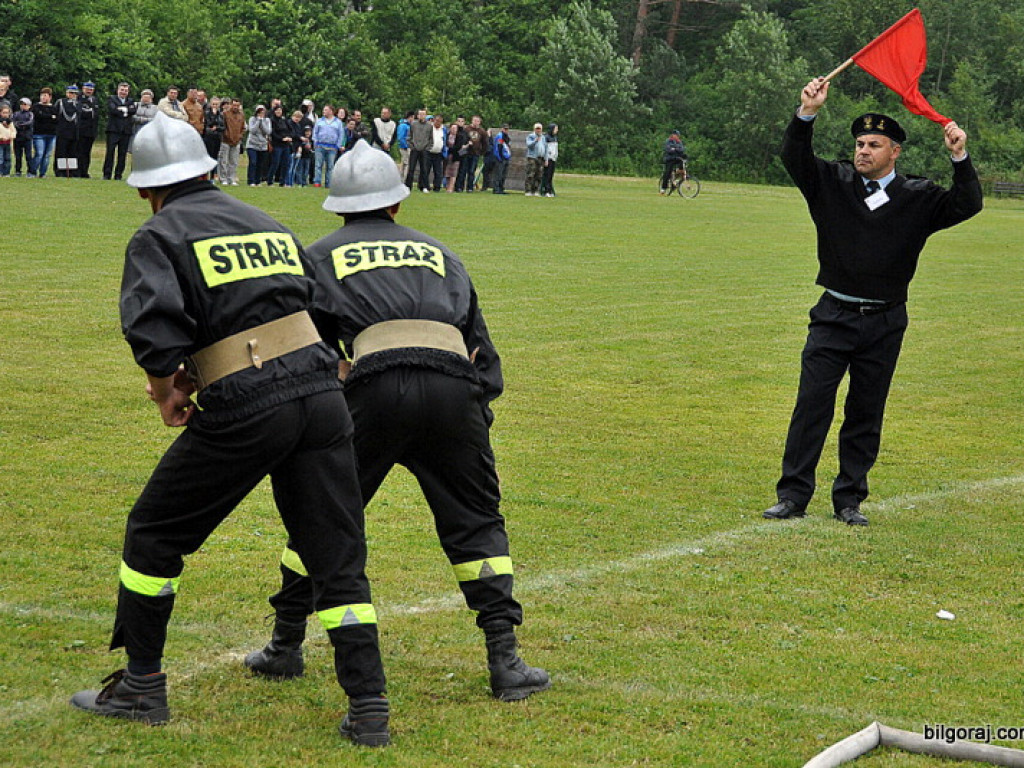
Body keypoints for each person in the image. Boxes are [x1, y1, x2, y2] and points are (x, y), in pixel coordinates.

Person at [68, 113, 391, 746]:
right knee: (335, 554)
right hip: (324, 395)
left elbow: (155, 332)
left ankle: (139, 686)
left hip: (251, 402)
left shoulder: (157, 235)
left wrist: (168, 391)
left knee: (155, 532)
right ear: (211, 167)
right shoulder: (268, 222)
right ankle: (370, 706)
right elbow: (319, 307)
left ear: (144, 188)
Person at [244, 140, 551, 703]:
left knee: (323, 515)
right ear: (397, 205)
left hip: (372, 388)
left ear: (337, 207)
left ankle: (285, 644)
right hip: (453, 387)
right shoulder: (442, 253)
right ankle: (506, 660)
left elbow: (302, 347)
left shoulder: (317, 256)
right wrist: (471, 416)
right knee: (476, 522)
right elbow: (481, 350)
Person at [762, 77, 983, 527]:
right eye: (860, 143)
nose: (863, 150)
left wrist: (959, 155)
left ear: (894, 152)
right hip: (833, 315)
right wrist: (807, 112)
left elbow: (968, 204)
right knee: (813, 406)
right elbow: (794, 157)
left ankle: (849, 500)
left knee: (865, 411)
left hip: (884, 323)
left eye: (874, 144)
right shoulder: (832, 183)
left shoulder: (918, 197)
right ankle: (793, 495)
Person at [103, 82, 136, 181]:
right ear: (118, 90)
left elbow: (133, 110)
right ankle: (107, 174)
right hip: (113, 130)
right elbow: (112, 110)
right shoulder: (111, 99)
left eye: (126, 90)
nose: (123, 92)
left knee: (122, 154)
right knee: (110, 153)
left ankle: (118, 174)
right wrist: (125, 111)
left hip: (125, 131)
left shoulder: (131, 100)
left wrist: (123, 109)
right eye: (122, 90)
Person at [312, 104, 342, 188]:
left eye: (325, 110)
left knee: (330, 166)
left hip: (332, 147)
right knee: (318, 165)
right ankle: (317, 182)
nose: (323, 111)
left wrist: (337, 146)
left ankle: (328, 183)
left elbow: (340, 134)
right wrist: (315, 143)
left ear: (331, 111)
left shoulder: (338, 122)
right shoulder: (319, 121)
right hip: (320, 146)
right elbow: (315, 132)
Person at [30, 87, 58, 178]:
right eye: (42, 95)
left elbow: (57, 119)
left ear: (50, 97)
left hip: (51, 134)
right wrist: (50, 117)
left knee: (47, 155)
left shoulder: (53, 108)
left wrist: (48, 117)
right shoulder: (35, 107)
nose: (43, 97)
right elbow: (38, 116)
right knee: (39, 153)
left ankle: (43, 173)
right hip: (38, 134)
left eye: (45, 96)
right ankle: (32, 172)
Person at [54, 84, 81, 177]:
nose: (73, 95)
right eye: (71, 93)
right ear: (67, 93)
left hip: (74, 132)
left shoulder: (78, 104)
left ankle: (71, 171)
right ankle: (60, 171)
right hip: (62, 131)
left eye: (75, 93)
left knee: (73, 152)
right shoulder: (60, 102)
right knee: (61, 152)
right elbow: (55, 115)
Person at [455, 115, 487, 193]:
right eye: (474, 120)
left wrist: (481, 153)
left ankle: (470, 188)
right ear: (472, 121)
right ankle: (460, 187)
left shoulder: (482, 131)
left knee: (472, 171)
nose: (476, 122)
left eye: (477, 121)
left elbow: (485, 143)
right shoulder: (466, 129)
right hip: (466, 153)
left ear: (480, 122)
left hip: (475, 154)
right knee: (463, 170)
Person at [218, 97, 245, 186]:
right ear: (231, 105)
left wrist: (240, 136)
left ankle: (232, 178)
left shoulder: (241, 115)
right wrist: (226, 134)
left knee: (233, 162)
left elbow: (243, 128)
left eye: (237, 105)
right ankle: (223, 178)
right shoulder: (225, 114)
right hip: (226, 140)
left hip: (236, 141)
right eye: (234, 105)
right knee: (224, 161)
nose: (235, 107)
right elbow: (222, 126)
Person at [405, 108, 431, 191]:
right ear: (417, 115)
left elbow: (431, 138)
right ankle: (408, 186)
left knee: (424, 169)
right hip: (415, 149)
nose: (422, 116)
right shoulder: (413, 124)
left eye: (423, 114)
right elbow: (409, 136)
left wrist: (427, 148)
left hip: (424, 149)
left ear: (426, 115)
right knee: (411, 168)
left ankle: (424, 186)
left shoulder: (429, 125)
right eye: (420, 114)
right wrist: (411, 146)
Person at [245, 104, 271, 186]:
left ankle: (257, 180)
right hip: (252, 144)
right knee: (253, 162)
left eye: (263, 111)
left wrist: (262, 122)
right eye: (259, 112)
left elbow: (267, 131)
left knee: (260, 164)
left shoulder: (267, 120)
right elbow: (252, 130)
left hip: (262, 145)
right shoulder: (252, 119)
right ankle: (251, 180)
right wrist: (258, 121)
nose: (261, 113)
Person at [659, 130, 687, 194]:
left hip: (677, 158)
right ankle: (663, 188)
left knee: (683, 162)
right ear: (673, 135)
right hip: (669, 159)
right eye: (676, 135)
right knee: (667, 172)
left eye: (678, 135)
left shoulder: (679, 142)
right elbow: (668, 150)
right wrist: (676, 149)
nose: (677, 136)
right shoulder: (668, 141)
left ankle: (678, 174)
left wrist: (675, 149)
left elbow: (682, 150)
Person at [12, 97, 34, 177]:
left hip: (27, 138)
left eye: (25, 104)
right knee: (18, 156)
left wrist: (19, 124)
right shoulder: (16, 113)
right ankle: (18, 171)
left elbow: (29, 123)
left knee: (28, 156)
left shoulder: (30, 114)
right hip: (17, 138)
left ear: (29, 106)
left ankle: (30, 172)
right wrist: (20, 125)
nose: (23, 106)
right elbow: (13, 122)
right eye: (21, 104)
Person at [523, 123, 546, 196]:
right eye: (537, 128)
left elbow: (546, 147)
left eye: (539, 128)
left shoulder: (543, 137)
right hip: (532, 157)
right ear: (534, 129)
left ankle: (536, 190)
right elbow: (529, 145)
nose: (538, 130)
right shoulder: (531, 136)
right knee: (531, 174)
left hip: (541, 158)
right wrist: (535, 141)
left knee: (539, 175)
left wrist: (546, 158)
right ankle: (528, 190)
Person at [539, 123, 559, 197]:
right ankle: (546, 190)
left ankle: (550, 190)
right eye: (555, 129)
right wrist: (545, 159)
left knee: (551, 175)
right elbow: (545, 149)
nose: (557, 130)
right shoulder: (546, 137)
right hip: (548, 158)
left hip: (553, 158)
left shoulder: (555, 137)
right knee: (546, 175)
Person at [490, 125, 511, 195]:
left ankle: (501, 188)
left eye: (507, 129)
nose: (506, 130)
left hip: (505, 158)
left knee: (503, 175)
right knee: (498, 174)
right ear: (502, 129)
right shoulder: (500, 136)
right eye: (505, 129)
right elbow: (498, 148)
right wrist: (500, 158)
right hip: (500, 158)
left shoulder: (506, 137)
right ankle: (496, 189)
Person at [0, 104, 14, 176]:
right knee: (0, 157)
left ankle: (7, 172)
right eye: (4, 112)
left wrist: (11, 136)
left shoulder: (10, 122)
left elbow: (13, 131)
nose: (5, 114)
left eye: (7, 113)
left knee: (8, 158)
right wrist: (1, 137)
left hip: (8, 143)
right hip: (0, 142)